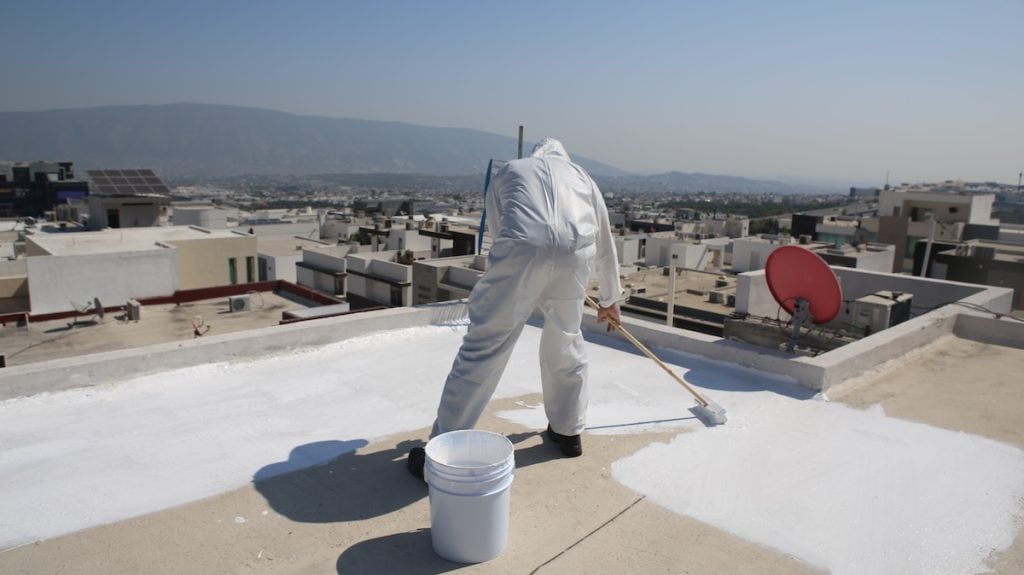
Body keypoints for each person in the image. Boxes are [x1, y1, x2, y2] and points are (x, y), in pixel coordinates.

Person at [409, 138, 622, 478]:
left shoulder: (511, 170)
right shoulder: (581, 175)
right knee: (566, 340)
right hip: (574, 255)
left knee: (485, 345)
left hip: (522, 250)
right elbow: (604, 238)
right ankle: (568, 433)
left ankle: (442, 451)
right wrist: (611, 298)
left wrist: (521, 276)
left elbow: (499, 227)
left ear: (535, 154)